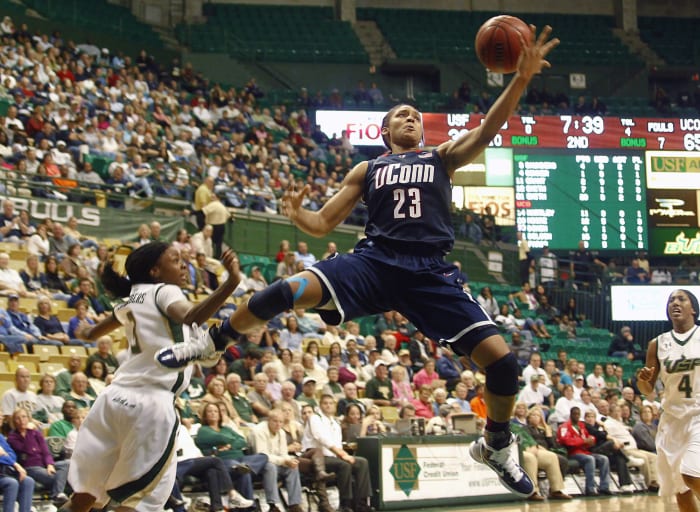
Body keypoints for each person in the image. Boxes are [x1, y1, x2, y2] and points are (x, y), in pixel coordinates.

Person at [156, 24, 558, 500]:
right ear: (385, 131)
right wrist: (298, 214)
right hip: (375, 262)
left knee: (505, 366)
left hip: (429, 271)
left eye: (415, 115)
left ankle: (495, 443)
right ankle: (213, 341)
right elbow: (323, 224)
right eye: (400, 115)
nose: (410, 117)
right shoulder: (369, 168)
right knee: (283, 292)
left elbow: (490, 127)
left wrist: (520, 80)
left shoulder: (441, 157)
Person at [61, 242, 240, 512]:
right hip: (150, 407)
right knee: (137, 503)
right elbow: (191, 317)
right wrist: (231, 282)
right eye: (176, 260)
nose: (184, 265)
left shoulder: (130, 299)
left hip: (112, 400)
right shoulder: (165, 291)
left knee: (84, 498)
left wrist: (84, 331)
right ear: (155, 271)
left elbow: (91, 333)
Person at [637, 289, 700, 512]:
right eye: (671, 300)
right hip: (672, 421)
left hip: (698, 417)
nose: (675, 302)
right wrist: (642, 380)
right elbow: (647, 389)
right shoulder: (657, 343)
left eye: (681, 299)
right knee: (681, 492)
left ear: (693, 308)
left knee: (692, 475)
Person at [0, 431, 35, 512]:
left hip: (4, 472)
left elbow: (12, 455)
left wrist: (5, 456)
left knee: (28, 481)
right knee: (11, 483)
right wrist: (12, 462)